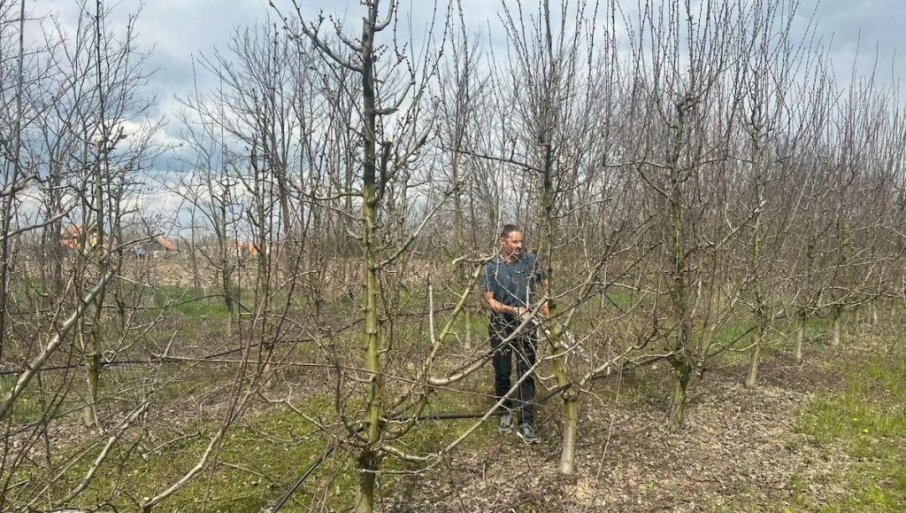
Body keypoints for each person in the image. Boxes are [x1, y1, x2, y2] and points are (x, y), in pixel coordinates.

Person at [483, 224, 548, 444]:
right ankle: (504, 412)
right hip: (501, 325)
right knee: (502, 371)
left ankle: (527, 423)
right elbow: (490, 300)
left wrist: (546, 307)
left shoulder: (530, 260)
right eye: (515, 242)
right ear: (503, 242)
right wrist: (513, 310)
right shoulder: (492, 267)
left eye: (521, 241)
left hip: (527, 325)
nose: (519, 246)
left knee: (526, 372)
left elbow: (546, 284)